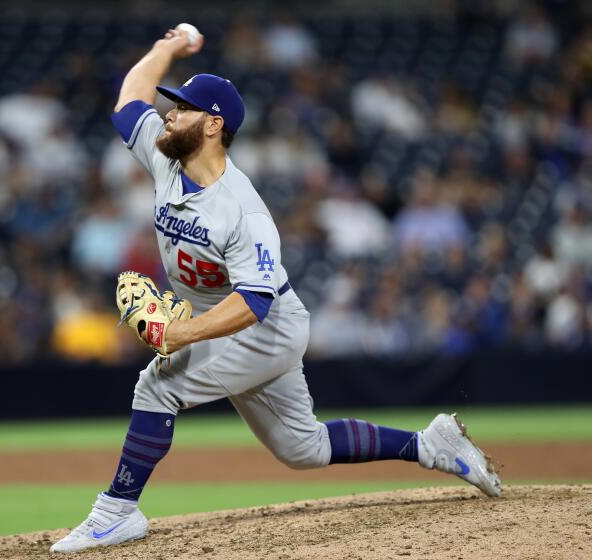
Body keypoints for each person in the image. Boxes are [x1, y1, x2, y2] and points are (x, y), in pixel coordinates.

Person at [50, 27, 501, 554]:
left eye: (183, 108)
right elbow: (130, 100)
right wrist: (167, 49)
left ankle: (117, 511)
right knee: (300, 447)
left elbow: (253, 302)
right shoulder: (164, 157)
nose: (168, 114)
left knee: (158, 386)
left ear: (213, 124)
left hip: (263, 326)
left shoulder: (242, 209)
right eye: (171, 106)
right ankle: (431, 445)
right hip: (228, 322)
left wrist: (180, 332)